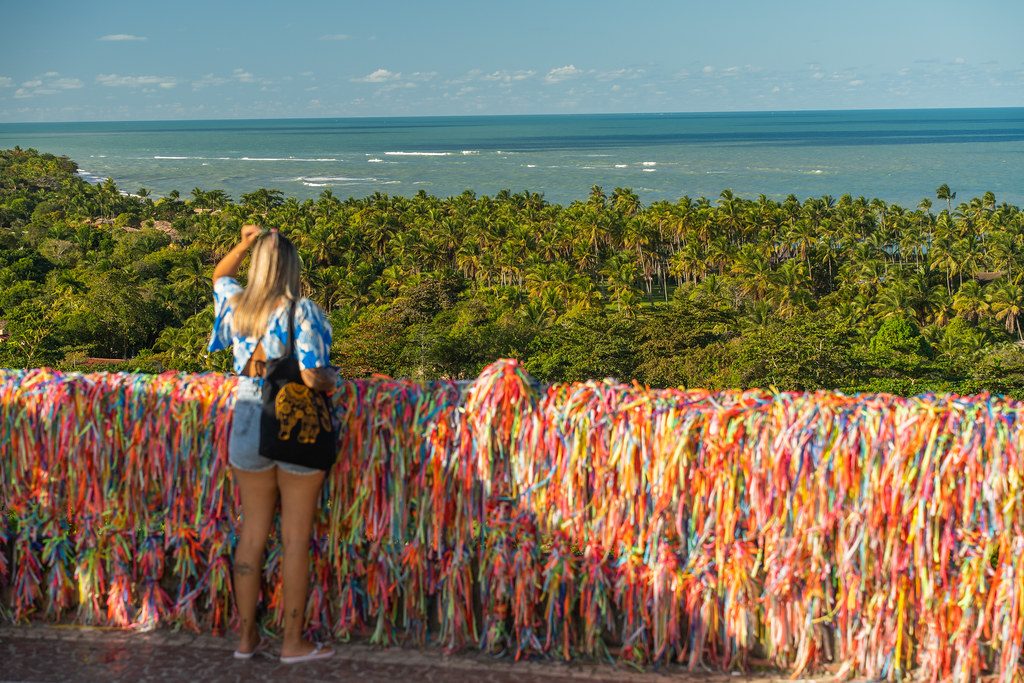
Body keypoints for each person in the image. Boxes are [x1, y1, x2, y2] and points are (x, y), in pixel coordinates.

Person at [208, 223, 337, 664]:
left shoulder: (237, 305)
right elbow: (313, 375)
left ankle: (246, 640)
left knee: (252, 534)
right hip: (292, 422)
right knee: (295, 539)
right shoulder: (304, 312)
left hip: (246, 418)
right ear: (292, 267)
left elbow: (219, 276)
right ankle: (293, 644)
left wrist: (244, 244)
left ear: (258, 265)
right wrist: (331, 379)